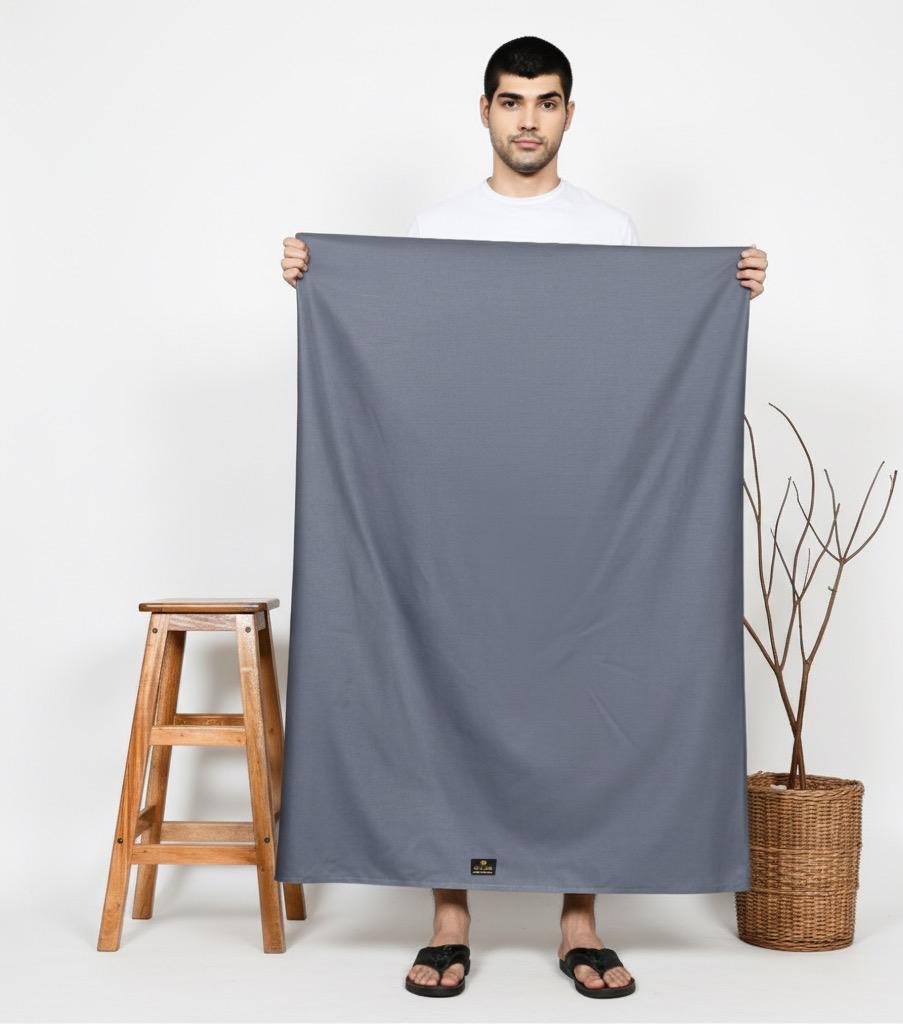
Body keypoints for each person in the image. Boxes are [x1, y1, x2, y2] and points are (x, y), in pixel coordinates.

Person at [279, 35, 768, 1000]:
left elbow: (634, 357)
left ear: (569, 114)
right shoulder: (436, 225)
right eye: (512, 101)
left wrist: (728, 288)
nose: (529, 119)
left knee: (588, 696)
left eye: (547, 102)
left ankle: (580, 924)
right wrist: (317, 275)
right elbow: (407, 347)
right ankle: (449, 922)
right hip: (454, 505)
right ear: (486, 110)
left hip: (584, 513)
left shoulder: (609, 229)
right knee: (437, 681)